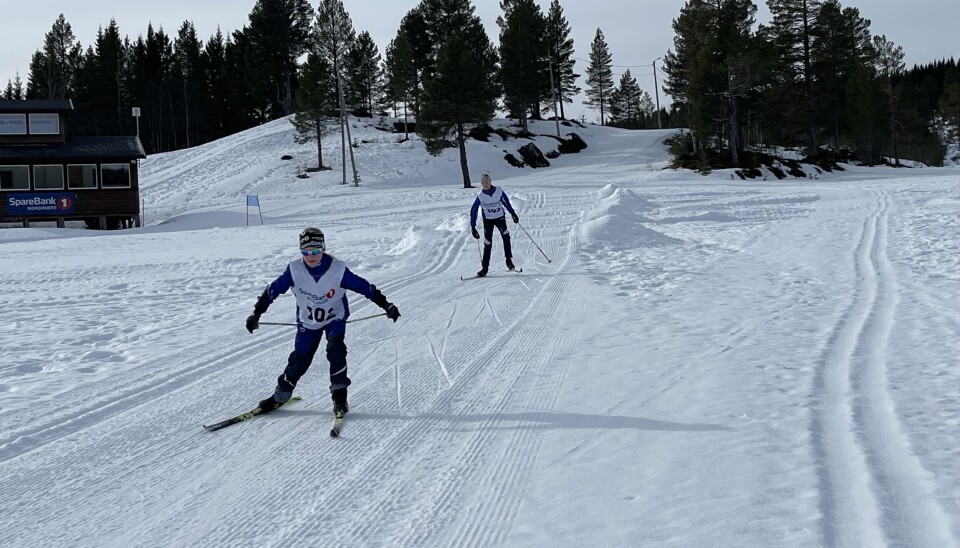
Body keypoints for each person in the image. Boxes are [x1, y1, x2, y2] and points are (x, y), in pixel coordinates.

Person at [245, 227, 401, 417]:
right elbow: (272, 291)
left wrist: (387, 305)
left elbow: (365, 287)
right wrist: (256, 314)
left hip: (335, 317)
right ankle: (281, 395)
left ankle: (340, 397)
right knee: (300, 358)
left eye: (316, 251)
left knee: (336, 350)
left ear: (323, 248)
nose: (311, 257)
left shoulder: (338, 269)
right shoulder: (294, 269)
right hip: (308, 322)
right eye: (305, 252)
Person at [469, 173, 520, 277]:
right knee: (487, 243)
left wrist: (512, 213)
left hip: (500, 218)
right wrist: (473, 227)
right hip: (488, 221)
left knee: (505, 236)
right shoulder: (480, 195)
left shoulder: (498, 190)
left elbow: (506, 202)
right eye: (483, 183)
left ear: (490, 182)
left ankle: (508, 261)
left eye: (487, 182)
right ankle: (485, 268)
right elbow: (474, 210)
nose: (485, 184)